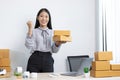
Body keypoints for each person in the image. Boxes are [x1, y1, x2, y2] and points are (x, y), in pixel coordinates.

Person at [25, 8, 66, 73]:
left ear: (49, 19)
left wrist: (57, 44)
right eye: (41, 16)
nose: (44, 19)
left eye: (46, 16)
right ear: (37, 17)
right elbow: (28, 46)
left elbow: (54, 50)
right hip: (34, 60)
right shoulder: (33, 31)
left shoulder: (53, 32)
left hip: (48, 60)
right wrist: (30, 29)